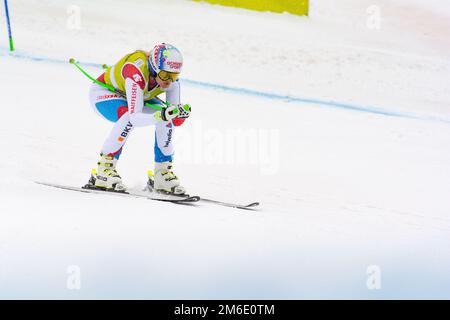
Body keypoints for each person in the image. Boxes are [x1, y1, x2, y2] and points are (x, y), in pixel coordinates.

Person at [87, 43, 191, 195]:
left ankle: (162, 173)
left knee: (166, 115)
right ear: (154, 68)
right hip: (104, 93)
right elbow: (135, 118)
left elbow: (173, 119)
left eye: (174, 76)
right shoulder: (136, 71)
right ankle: (104, 169)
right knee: (127, 116)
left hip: (137, 96)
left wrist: (179, 115)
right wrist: (161, 115)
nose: (169, 81)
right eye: (164, 75)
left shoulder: (172, 82)